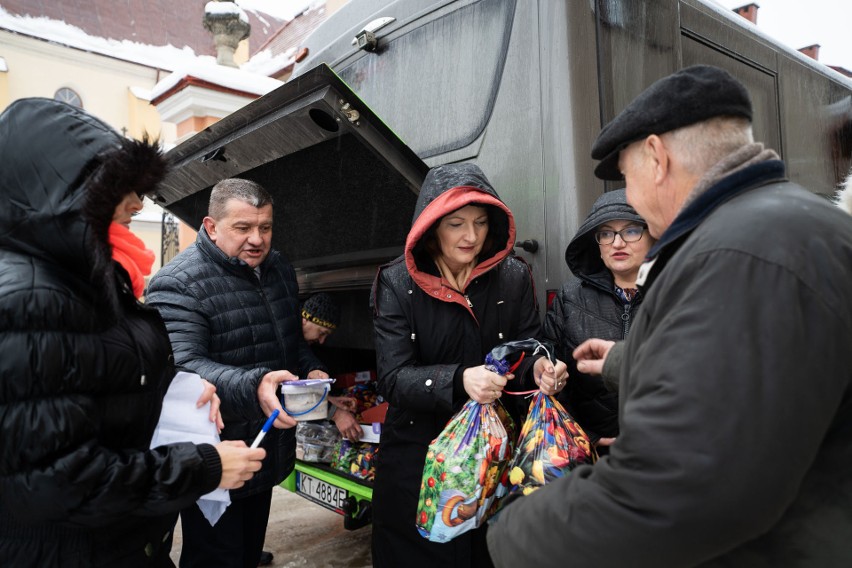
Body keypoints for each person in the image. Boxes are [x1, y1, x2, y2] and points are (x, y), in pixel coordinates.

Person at [487, 65, 852, 566]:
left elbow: (684, 491)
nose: (630, 201)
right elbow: (757, 376)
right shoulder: (790, 224)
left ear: (656, 158)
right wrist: (625, 360)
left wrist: (516, 533)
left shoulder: (739, 256)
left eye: (627, 178)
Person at [0, 98, 265, 567]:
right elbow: (60, 482)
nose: (137, 202)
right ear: (59, 190)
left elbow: (98, 379)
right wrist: (204, 467)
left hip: (118, 542)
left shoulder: (80, 274)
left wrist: (178, 388)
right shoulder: (33, 297)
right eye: (117, 185)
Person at [370, 162, 568, 568]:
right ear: (430, 228)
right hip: (418, 454)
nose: (471, 236)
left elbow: (530, 344)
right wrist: (460, 380)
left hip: (492, 451)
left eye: (480, 222)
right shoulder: (397, 282)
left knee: (485, 553)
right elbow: (393, 379)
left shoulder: (512, 275)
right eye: (456, 223)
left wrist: (541, 369)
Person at [146, 178, 329, 568]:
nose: (257, 239)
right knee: (216, 557)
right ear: (211, 227)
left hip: (263, 447)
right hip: (215, 454)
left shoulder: (278, 268)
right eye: (242, 228)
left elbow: (289, 339)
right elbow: (184, 368)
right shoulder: (178, 283)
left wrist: (310, 365)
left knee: (245, 550)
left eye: (265, 227)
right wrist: (254, 384)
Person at [542, 189, 654, 450]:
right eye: (606, 233)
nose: (617, 243)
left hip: (662, 451)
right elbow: (551, 367)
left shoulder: (677, 291)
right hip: (589, 452)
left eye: (631, 230)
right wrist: (586, 436)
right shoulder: (571, 297)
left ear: (653, 235)